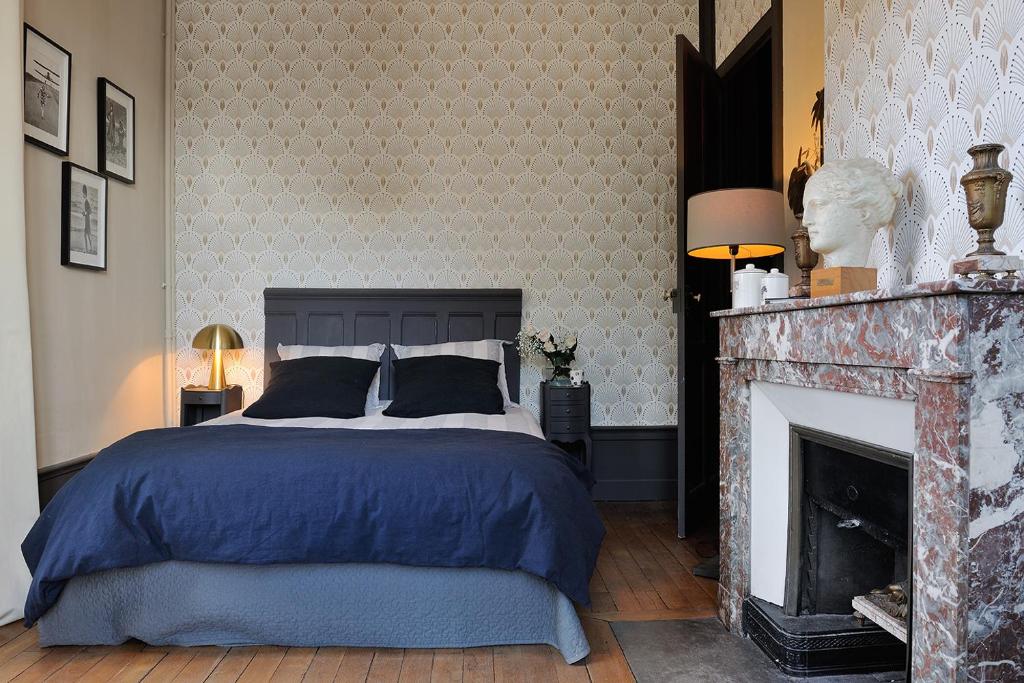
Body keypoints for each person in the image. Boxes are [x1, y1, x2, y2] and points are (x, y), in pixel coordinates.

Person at [81, 185, 93, 253]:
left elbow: (90, 211)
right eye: (83, 193)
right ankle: (89, 248)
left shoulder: (86, 201)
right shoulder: (85, 201)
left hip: (87, 221)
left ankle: (88, 249)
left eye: (84, 193)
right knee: (86, 235)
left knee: (86, 235)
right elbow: (87, 211)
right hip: (86, 220)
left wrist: (85, 213)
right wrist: (83, 213)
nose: (83, 194)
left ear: (86, 194)